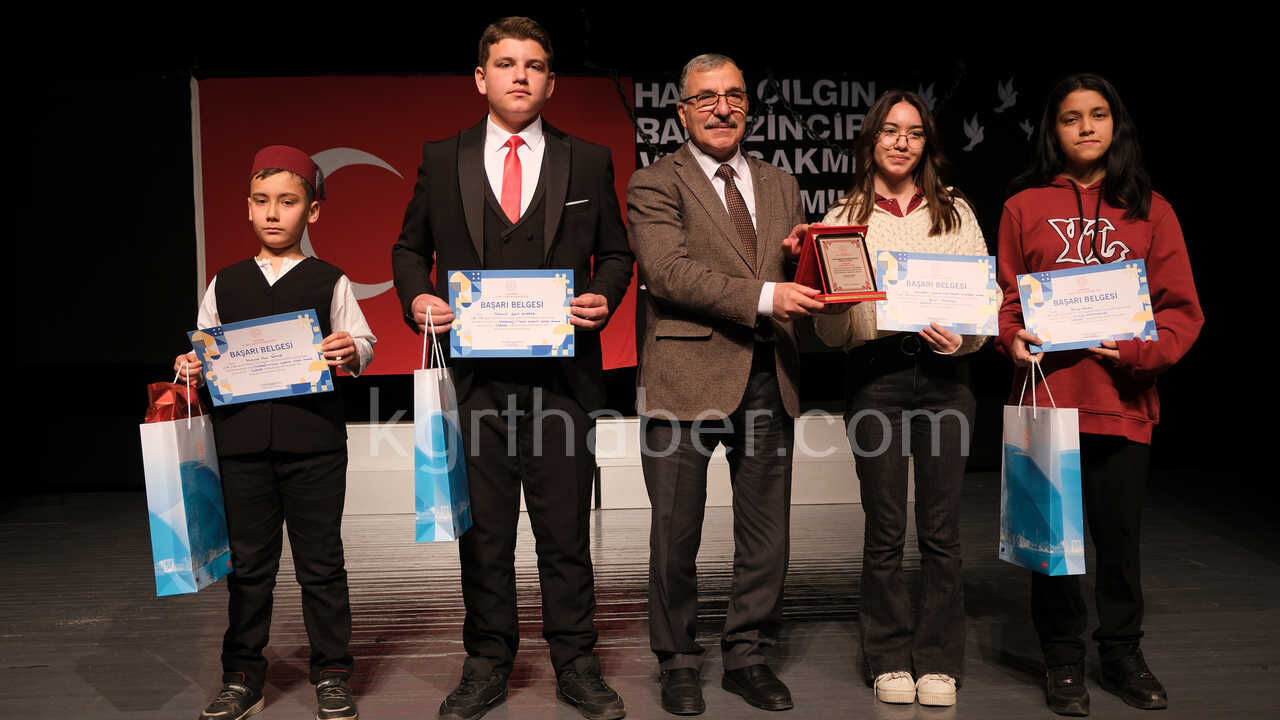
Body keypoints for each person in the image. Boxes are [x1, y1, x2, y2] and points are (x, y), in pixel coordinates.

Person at [390, 16, 633, 720]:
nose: (520, 75)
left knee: (565, 534)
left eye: (534, 65)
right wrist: (419, 297)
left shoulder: (587, 158)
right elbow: (409, 250)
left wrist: (604, 295)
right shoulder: (444, 156)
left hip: (562, 384)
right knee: (486, 534)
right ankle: (487, 661)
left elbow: (616, 253)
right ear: (481, 77)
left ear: (551, 81)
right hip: (475, 383)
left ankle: (577, 662)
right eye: (505, 63)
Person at [627, 53, 832, 716]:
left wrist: (807, 260)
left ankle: (747, 654)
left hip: (770, 373)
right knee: (675, 533)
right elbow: (669, 274)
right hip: (684, 377)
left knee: (766, 534)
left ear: (748, 105)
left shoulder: (781, 183)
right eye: (707, 98)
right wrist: (771, 292)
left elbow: (789, 271)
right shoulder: (655, 182)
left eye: (735, 95)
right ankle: (679, 659)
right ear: (682, 111)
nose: (723, 108)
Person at [996, 73, 1203, 716]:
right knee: (1051, 541)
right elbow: (1007, 299)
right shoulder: (1023, 207)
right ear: (1052, 131)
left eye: (1097, 115)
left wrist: (1141, 352)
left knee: (1119, 541)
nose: (1085, 127)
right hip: (1050, 400)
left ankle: (1121, 653)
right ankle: (1062, 660)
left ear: (1117, 126)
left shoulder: (1152, 210)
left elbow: (1181, 311)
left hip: (1123, 399)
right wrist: (1012, 338)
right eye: (1069, 117)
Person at [174, 144, 376, 720]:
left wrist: (349, 350)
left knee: (321, 564)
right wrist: (190, 365)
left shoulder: (330, 280)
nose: (272, 212)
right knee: (249, 566)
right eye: (262, 201)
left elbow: (361, 342)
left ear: (311, 212)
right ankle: (242, 678)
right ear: (247, 208)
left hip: (313, 445)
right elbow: (204, 347)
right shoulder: (226, 282)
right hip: (240, 449)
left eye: (287, 202)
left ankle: (332, 674)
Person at [812, 90, 987, 708]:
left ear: (926, 145)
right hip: (875, 379)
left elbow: (982, 312)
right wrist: (833, 307)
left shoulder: (957, 213)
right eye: (889, 131)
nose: (901, 141)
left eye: (913, 132)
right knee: (885, 527)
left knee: (941, 529)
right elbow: (830, 333)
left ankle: (939, 659)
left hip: (944, 382)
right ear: (870, 141)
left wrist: (961, 338)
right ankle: (888, 655)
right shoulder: (839, 219)